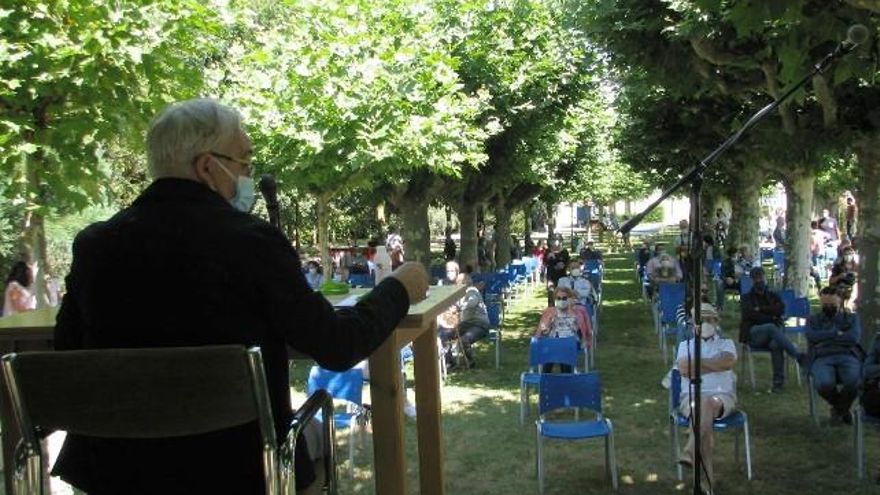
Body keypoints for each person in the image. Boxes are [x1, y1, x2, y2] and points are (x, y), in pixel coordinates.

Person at [52, 98, 430, 495]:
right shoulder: (251, 241)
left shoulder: (94, 245)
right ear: (207, 167)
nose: (248, 175)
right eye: (243, 163)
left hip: (112, 471)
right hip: (241, 470)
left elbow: (66, 353)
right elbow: (336, 344)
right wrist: (398, 288)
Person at [675, 304, 736, 485]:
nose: (707, 324)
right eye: (702, 321)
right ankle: (708, 481)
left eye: (711, 320)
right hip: (690, 398)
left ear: (717, 322)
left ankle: (690, 450)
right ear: (694, 324)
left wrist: (698, 365)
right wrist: (713, 364)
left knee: (706, 404)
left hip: (723, 398)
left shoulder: (727, 344)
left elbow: (727, 361)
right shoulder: (684, 345)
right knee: (703, 414)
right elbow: (685, 369)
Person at [738, 267, 805, 392]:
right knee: (771, 327)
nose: (759, 281)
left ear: (765, 278)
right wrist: (771, 315)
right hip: (753, 335)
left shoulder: (773, 295)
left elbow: (781, 309)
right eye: (756, 279)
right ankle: (798, 356)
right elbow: (750, 315)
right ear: (752, 281)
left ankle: (778, 384)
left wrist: (761, 309)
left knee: (776, 344)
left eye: (761, 278)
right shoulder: (746, 298)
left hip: (771, 335)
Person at [805, 287, 862, 425]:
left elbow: (853, 338)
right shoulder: (813, 319)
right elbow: (812, 336)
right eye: (825, 305)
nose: (828, 308)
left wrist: (824, 337)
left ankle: (838, 410)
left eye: (832, 305)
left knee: (855, 382)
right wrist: (836, 333)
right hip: (821, 357)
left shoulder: (852, 318)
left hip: (847, 355)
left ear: (840, 302)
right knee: (823, 384)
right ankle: (843, 410)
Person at [535, 287, 591, 373]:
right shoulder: (550, 312)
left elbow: (581, 331)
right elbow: (541, 331)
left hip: (571, 341)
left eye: (564, 298)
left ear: (570, 299)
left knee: (561, 349)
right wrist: (548, 323)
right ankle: (547, 378)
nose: (561, 300)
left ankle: (563, 378)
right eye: (558, 298)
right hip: (553, 341)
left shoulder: (578, 312)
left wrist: (569, 310)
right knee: (553, 349)